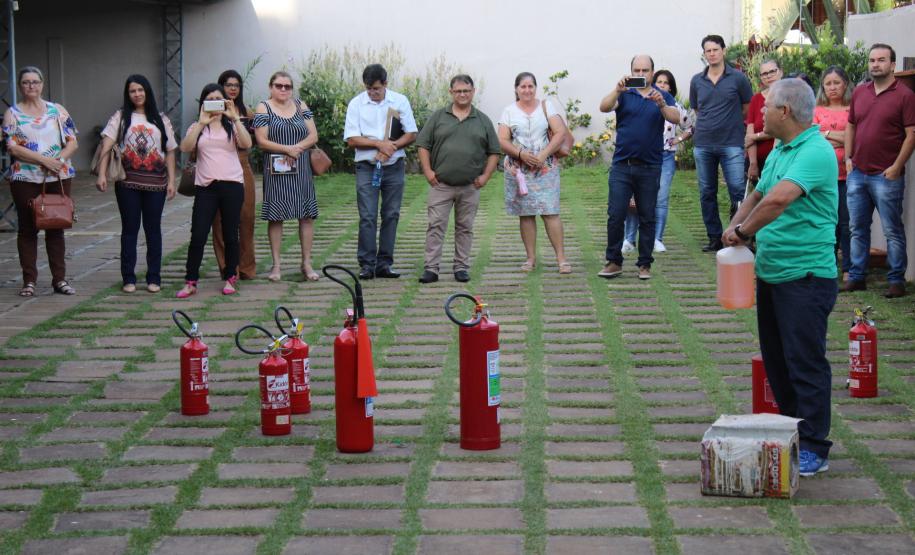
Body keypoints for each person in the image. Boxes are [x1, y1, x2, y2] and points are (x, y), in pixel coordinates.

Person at [723, 78, 838, 476]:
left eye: (766, 106)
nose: (760, 113)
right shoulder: (781, 151)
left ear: (785, 112)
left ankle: (815, 446)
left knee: (805, 361)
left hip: (806, 275)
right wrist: (732, 229)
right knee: (778, 361)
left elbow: (779, 199)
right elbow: (757, 194)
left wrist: (743, 233)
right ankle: (794, 432)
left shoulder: (816, 151)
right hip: (772, 271)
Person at [597, 56, 680, 280]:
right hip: (622, 165)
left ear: (653, 72)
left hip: (650, 165)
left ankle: (644, 264)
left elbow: (676, 117)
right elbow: (604, 107)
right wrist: (616, 90)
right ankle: (614, 261)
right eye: (637, 70)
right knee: (615, 214)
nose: (641, 74)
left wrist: (661, 105)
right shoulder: (625, 93)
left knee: (647, 216)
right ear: (631, 71)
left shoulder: (662, 95)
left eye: (645, 70)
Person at [843, 43, 915, 298]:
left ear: (893, 64)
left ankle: (896, 280)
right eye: (872, 60)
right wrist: (849, 159)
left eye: (881, 60)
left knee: (892, 230)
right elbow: (850, 125)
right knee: (857, 228)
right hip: (858, 173)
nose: (875, 64)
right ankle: (857, 276)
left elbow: (911, 134)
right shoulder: (861, 92)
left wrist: (897, 167)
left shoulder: (905, 95)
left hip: (887, 176)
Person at [96, 74, 177, 293]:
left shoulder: (161, 119)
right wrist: (101, 174)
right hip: (127, 183)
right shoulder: (121, 117)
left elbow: (170, 151)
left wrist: (172, 180)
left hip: (157, 185)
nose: (137, 94)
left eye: (141, 90)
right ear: (128, 94)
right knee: (129, 230)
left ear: (147, 91)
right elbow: (107, 145)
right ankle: (129, 278)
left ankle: (154, 278)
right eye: (133, 91)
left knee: (153, 231)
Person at [416, 75, 500, 284]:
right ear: (451, 92)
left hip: (470, 186)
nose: (462, 94)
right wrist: (428, 171)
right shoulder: (438, 117)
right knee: (435, 225)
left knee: (465, 227)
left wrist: (486, 176)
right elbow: (423, 145)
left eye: (466, 91)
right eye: (458, 91)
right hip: (441, 185)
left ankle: (461, 267)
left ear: (473, 91)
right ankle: (431, 268)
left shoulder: (482, 120)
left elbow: (494, 151)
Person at [3, 66, 79, 297]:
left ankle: (60, 279)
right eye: (26, 82)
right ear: (20, 86)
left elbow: (72, 141)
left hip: (58, 174)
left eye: (35, 82)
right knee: (28, 229)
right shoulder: (13, 114)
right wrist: (43, 160)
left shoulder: (57, 110)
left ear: (42, 84)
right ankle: (29, 281)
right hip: (25, 177)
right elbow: (12, 147)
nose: (31, 86)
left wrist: (59, 160)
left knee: (56, 225)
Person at [176, 83, 252, 298]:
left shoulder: (231, 125)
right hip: (206, 187)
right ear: (204, 103)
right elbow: (185, 147)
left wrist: (234, 117)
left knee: (230, 234)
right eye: (210, 100)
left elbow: (247, 144)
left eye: (219, 99)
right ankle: (190, 281)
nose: (215, 104)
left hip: (232, 185)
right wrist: (202, 123)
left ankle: (230, 277)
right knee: (198, 234)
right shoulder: (198, 127)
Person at [343, 64, 418, 280]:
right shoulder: (356, 103)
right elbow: (352, 139)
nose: (373, 93)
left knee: (391, 215)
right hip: (367, 166)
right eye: (369, 89)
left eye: (376, 88)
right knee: (367, 215)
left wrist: (390, 148)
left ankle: (385, 263)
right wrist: (379, 145)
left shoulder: (399, 101)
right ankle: (367, 264)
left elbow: (411, 133)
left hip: (393, 166)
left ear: (385, 84)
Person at [497, 72, 571, 274]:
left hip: (545, 168)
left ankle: (561, 259)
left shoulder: (546, 106)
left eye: (531, 86)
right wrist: (521, 154)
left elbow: (560, 132)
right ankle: (530, 259)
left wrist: (542, 155)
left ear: (535, 88)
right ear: (516, 89)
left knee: (550, 212)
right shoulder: (509, 111)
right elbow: (502, 140)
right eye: (523, 87)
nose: (527, 90)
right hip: (520, 170)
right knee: (526, 214)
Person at [254, 71, 321, 282]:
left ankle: (307, 263)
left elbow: (314, 135)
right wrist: (286, 149)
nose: (283, 89)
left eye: (287, 86)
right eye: (278, 85)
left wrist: (296, 148)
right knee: (276, 216)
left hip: (300, 167)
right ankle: (276, 265)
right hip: (276, 169)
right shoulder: (263, 107)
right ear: (270, 87)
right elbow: (261, 141)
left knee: (306, 215)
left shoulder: (302, 106)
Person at [690, 34, 754, 252]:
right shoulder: (697, 81)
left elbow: (747, 108)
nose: (712, 53)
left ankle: (738, 234)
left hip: (732, 143)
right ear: (704, 54)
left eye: (715, 49)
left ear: (723, 50)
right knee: (707, 192)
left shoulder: (738, 79)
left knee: (737, 191)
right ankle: (715, 237)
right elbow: (698, 110)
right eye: (708, 50)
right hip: (703, 143)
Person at [622, 69, 692, 254]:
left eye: (666, 83)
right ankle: (629, 239)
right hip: (641, 155)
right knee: (634, 199)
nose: (661, 85)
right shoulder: (640, 100)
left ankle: (656, 239)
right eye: (659, 81)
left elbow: (689, 126)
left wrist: (678, 140)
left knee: (660, 199)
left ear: (670, 87)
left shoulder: (672, 105)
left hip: (665, 155)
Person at [212, 69, 257, 281]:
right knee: (220, 220)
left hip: (242, 163)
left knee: (246, 217)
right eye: (228, 84)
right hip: (217, 166)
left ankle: (247, 268)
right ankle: (227, 268)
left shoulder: (246, 111)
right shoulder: (212, 109)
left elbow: (252, 141)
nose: (232, 88)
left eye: (236, 85)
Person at [813, 66, 852, 282]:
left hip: (847, 175)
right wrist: (842, 136)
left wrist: (825, 132)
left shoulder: (852, 109)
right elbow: (813, 136)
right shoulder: (816, 110)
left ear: (845, 84)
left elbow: (854, 137)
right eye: (828, 83)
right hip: (822, 177)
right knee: (826, 223)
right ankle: (827, 267)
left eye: (836, 82)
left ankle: (848, 269)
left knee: (846, 224)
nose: (832, 87)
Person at [745, 59, 783, 181]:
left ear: (781, 72)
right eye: (764, 73)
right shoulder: (756, 99)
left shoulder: (789, 96)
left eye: (772, 71)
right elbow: (749, 135)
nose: (769, 76)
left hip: (781, 160)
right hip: (757, 160)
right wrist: (753, 163)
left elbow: (780, 128)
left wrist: (756, 136)